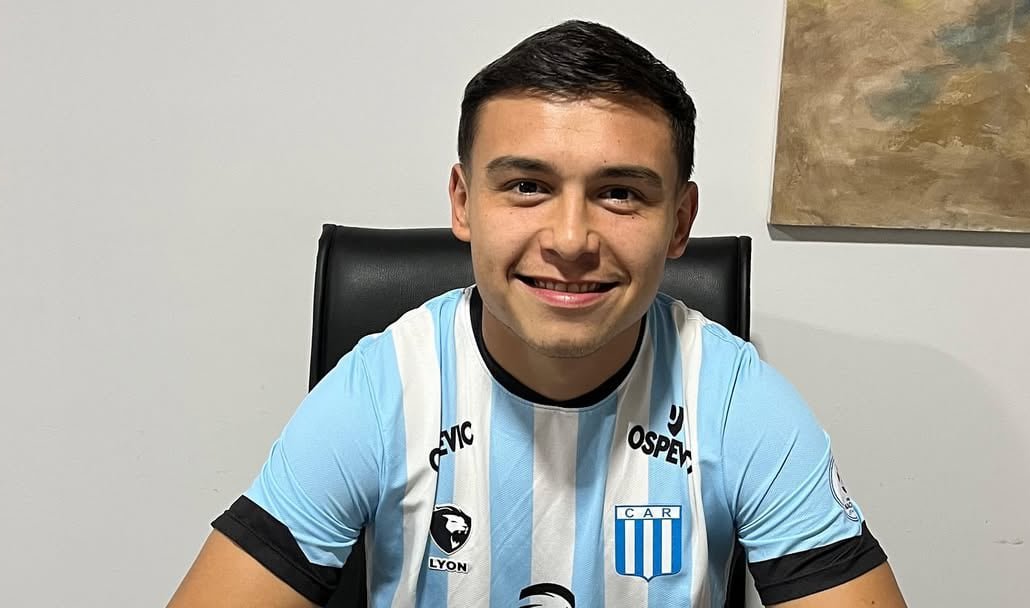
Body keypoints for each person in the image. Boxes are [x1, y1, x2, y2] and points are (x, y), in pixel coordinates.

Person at [169, 20, 907, 607]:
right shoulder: (383, 387)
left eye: (620, 193)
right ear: (464, 203)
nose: (570, 240)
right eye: (527, 186)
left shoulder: (737, 399)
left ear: (679, 222)